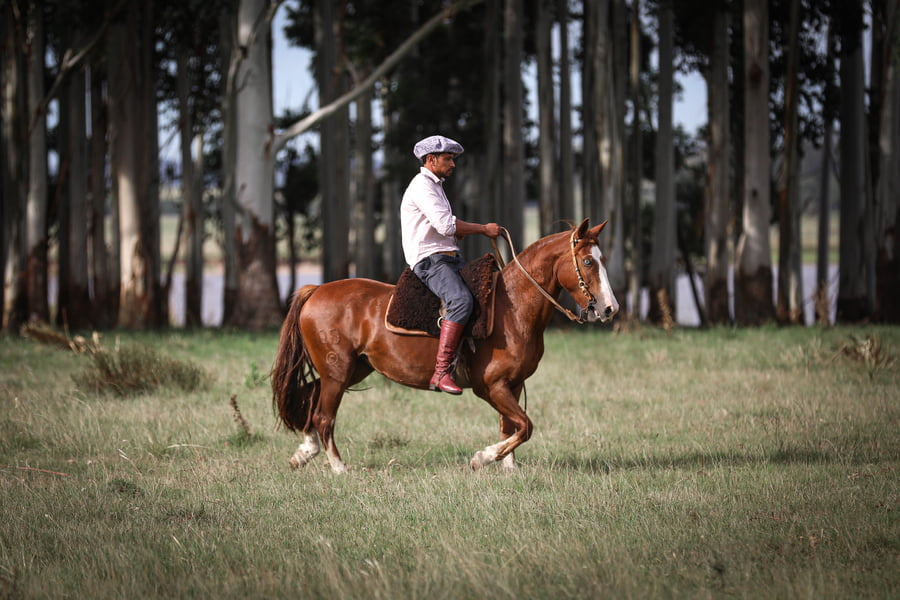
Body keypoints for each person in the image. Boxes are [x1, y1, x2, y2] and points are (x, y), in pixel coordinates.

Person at [400, 135, 502, 394]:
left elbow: (443, 227)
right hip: (430, 261)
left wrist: (458, 232)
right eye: (448, 159)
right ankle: (441, 372)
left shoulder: (435, 185)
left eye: (453, 159)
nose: (453, 164)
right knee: (461, 302)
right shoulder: (422, 186)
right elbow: (446, 225)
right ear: (431, 160)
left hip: (446, 257)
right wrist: (483, 229)